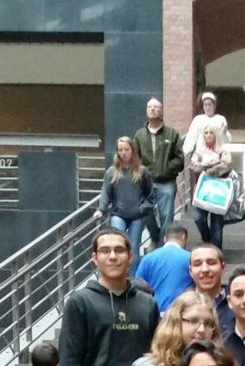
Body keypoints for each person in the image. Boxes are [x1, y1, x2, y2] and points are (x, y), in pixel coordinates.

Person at [58, 228, 159, 366]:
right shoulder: (79, 303)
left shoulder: (148, 304)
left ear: (130, 257)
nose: (112, 256)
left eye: (119, 250)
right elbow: (69, 361)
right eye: (105, 251)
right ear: (95, 258)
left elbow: (157, 357)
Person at [96, 138, 156, 273]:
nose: (124, 153)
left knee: (133, 246)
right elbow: (105, 192)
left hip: (137, 215)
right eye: (120, 150)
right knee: (117, 243)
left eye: (127, 150)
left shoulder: (142, 171)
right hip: (119, 213)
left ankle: (133, 278)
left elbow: (150, 194)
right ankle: (119, 273)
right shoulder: (111, 172)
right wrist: (101, 209)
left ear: (132, 151)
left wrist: (143, 208)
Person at [133, 97, 184, 232]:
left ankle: (163, 247)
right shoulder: (139, 135)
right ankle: (155, 238)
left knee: (166, 217)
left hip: (166, 182)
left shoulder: (172, 134)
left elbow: (180, 159)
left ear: (161, 112)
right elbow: (135, 158)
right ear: (146, 111)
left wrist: (166, 169)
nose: (152, 109)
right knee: (146, 214)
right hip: (146, 183)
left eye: (156, 107)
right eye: (149, 107)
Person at [189, 124, 232, 252]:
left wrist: (209, 169)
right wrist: (209, 165)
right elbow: (193, 166)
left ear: (216, 135)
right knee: (198, 218)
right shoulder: (199, 151)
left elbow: (227, 164)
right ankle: (207, 240)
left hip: (218, 192)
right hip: (202, 191)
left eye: (211, 132)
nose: (208, 135)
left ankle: (217, 252)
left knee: (217, 227)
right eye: (206, 132)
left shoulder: (223, 150)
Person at [134, 225, 192, 312]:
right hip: (180, 311)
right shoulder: (190, 258)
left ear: (165, 238)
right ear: (183, 237)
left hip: (152, 311)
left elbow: (137, 284)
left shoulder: (148, 258)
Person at [189, 244, 233, 331]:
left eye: (211, 263)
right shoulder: (180, 306)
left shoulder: (238, 302)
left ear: (223, 267)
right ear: (190, 271)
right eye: (198, 264)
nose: (205, 269)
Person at [183, 90, 231, 160]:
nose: (207, 107)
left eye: (209, 105)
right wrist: (187, 153)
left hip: (217, 157)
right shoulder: (198, 119)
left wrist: (224, 132)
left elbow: (226, 141)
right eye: (205, 105)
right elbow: (191, 137)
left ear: (214, 106)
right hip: (201, 157)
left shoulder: (220, 119)